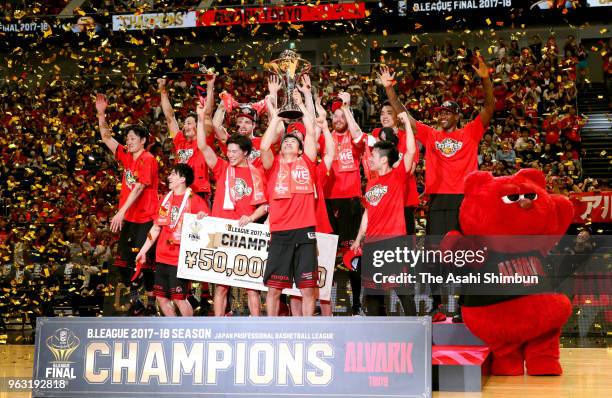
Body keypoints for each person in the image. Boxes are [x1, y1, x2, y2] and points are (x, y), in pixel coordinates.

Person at [380, 55, 495, 321]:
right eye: (439, 113)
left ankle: (467, 307)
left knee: (467, 257)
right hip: (439, 201)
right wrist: (389, 89)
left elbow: (489, 106)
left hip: (465, 202)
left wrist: (485, 78)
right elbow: (403, 116)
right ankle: (437, 306)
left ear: (456, 115)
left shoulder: (470, 132)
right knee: (434, 256)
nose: (442, 116)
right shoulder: (431, 135)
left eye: (447, 112)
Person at [196, 80, 268, 316]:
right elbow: (204, 148)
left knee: (251, 286)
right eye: (229, 151)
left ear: (246, 153)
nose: (231, 154)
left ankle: (257, 323)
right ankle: (218, 322)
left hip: (244, 231)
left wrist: (251, 216)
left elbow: (263, 205)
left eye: (235, 151)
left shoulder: (256, 173)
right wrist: (200, 118)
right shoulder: (222, 167)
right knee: (221, 284)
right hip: (220, 229)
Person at [95, 94, 159, 316]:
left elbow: (140, 187)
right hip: (129, 218)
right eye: (127, 138)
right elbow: (105, 137)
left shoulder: (148, 159)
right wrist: (101, 113)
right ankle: (135, 298)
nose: (128, 141)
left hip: (147, 218)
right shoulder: (126, 155)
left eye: (132, 138)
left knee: (146, 261)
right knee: (122, 262)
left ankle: (150, 301)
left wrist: (120, 211)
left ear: (142, 140)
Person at [351, 111, 417, 316]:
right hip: (372, 242)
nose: (370, 159)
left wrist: (406, 123)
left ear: (385, 161)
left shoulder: (397, 177)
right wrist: (358, 238)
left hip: (393, 242)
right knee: (372, 292)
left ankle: (416, 330)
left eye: (374, 157)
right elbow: (367, 213)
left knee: (402, 290)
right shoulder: (371, 182)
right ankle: (377, 333)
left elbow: (411, 151)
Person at [260, 89, 319, 316]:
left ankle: (307, 329)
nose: (288, 143)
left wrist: (301, 104)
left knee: (307, 288)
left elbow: (312, 134)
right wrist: (277, 116)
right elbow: (264, 146)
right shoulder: (273, 166)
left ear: (300, 149)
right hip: (280, 231)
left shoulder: (308, 162)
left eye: (293, 142)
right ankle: (271, 327)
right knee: (274, 287)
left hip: (304, 230)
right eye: (285, 141)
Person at [135, 164, 209, 317]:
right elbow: (156, 228)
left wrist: (204, 219)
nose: (169, 177)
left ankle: (188, 332)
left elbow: (206, 230)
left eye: (173, 174)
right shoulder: (165, 200)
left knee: (179, 298)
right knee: (161, 298)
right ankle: (175, 329)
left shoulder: (195, 201)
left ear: (182, 179)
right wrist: (143, 251)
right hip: (162, 257)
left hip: (180, 259)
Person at [319, 91, 366, 315]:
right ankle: (324, 305)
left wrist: (347, 108)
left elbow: (358, 136)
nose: (337, 119)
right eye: (334, 116)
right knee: (325, 256)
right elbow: (314, 123)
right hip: (328, 203)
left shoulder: (355, 138)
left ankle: (356, 304)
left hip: (351, 202)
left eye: (342, 116)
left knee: (353, 255)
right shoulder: (324, 137)